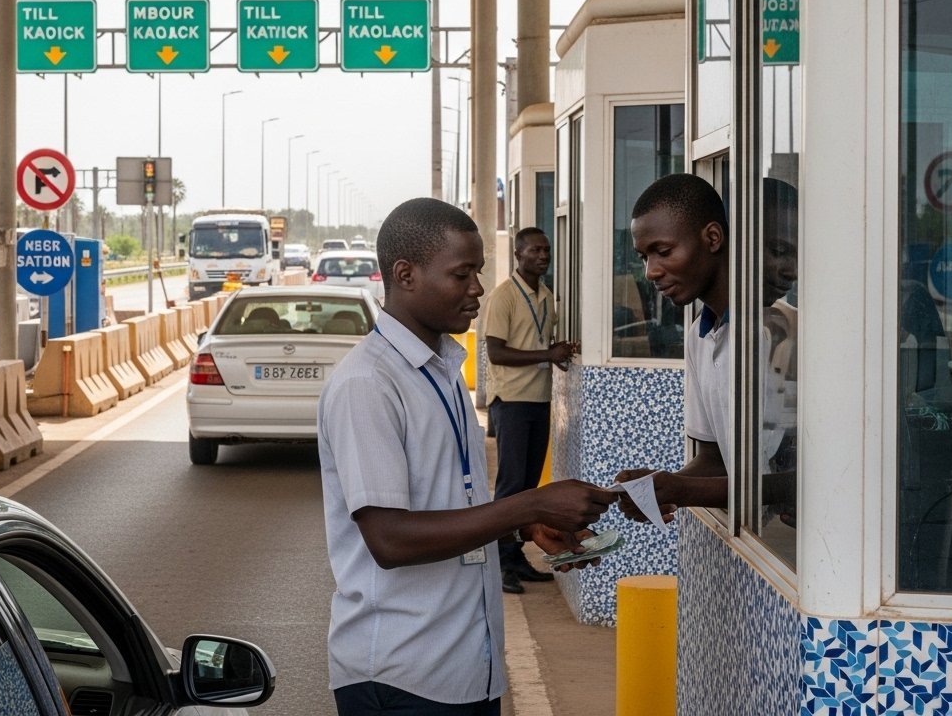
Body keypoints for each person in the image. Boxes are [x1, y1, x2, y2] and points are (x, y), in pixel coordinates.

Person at [318, 197, 619, 715]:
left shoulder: (442, 369)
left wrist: (524, 529)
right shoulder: (369, 383)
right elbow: (389, 538)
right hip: (403, 678)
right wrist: (530, 506)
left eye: (478, 273)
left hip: (465, 668)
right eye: (463, 275)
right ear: (405, 275)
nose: (478, 288)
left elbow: (451, 499)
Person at [615, 175, 799, 524]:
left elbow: (806, 480)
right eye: (643, 257)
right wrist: (658, 486)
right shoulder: (699, 336)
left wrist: (683, 491)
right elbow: (714, 457)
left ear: (713, 238)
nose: (651, 272)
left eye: (663, 252)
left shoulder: (781, 334)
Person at [484, 226, 579, 593]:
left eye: (547, 251)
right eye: (535, 251)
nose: (543, 257)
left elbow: (539, 340)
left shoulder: (545, 296)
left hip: (539, 400)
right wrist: (546, 354)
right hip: (511, 401)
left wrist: (558, 348)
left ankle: (516, 557)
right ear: (518, 255)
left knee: (527, 487)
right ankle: (501, 561)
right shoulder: (503, 297)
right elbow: (495, 352)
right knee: (510, 486)